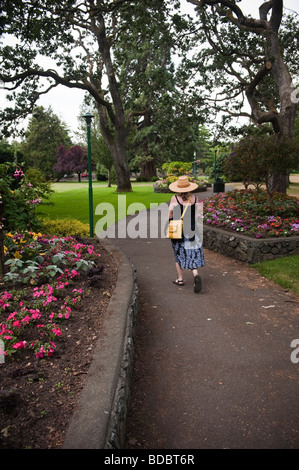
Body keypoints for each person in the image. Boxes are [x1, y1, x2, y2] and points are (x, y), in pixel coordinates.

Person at [168, 175, 205, 293]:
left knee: (179, 253)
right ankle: (195, 274)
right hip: (192, 230)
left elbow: (170, 215)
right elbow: (198, 215)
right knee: (192, 253)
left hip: (179, 231)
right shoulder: (196, 198)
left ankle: (180, 279)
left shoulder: (174, 199)